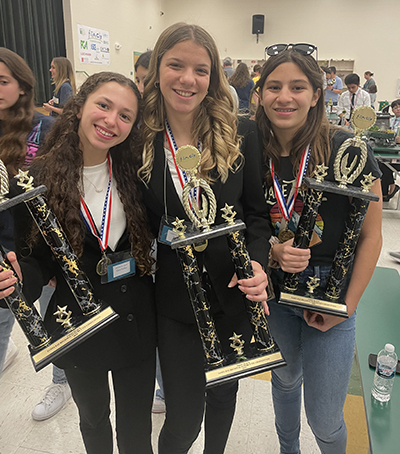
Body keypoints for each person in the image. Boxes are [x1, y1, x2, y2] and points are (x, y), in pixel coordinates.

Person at [0, 72, 157, 454]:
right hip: (77, 325)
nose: (111, 121)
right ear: (80, 106)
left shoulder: (138, 172)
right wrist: (18, 279)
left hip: (136, 317)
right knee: (93, 421)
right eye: (103, 105)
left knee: (137, 426)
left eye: (125, 115)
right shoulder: (37, 181)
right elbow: (36, 264)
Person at [140, 22, 270, 454]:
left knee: (223, 399)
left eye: (200, 69)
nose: (187, 79)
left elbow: (255, 214)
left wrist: (256, 262)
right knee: (182, 419)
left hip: (231, 295)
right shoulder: (139, 139)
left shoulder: (243, 134)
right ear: (158, 68)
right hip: (172, 303)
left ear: (213, 76)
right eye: (176, 65)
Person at [256, 44, 382, 454]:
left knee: (326, 418)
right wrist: (273, 251)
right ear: (260, 93)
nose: (284, 97)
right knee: (285, 380)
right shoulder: (250, 149)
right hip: (274, 293)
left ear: (316, 93)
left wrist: (345, 306)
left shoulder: (348, 148)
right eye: (273, 86)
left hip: (333, 290)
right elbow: (243, 221)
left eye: (297, 86)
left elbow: (371, 236)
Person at [0, 47, 54, 376]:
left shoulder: (44, 129)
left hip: (39, 248)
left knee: (56, 321)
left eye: (2, 81)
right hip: (3, 250)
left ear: (22, 85)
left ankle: (60, 382)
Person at [379, 99, 400, 201]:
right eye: (395, 107)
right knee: (380, 162)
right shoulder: (390, 120)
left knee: (384, 164)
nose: (398, 109)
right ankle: (387, 190)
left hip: (397, 154)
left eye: (399, 106)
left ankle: (389, 188)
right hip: (389, 150)